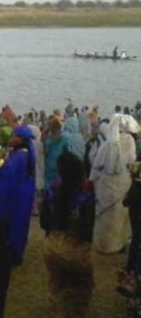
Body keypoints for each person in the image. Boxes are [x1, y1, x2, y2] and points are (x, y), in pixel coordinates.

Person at [40, 152, 95, 317]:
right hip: (77, 248)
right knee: (80, 293)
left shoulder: (51, 190)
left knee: (56, 288)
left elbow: (43, 223)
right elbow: (87, 228)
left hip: (53, 246)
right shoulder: (85, 194)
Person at [90, 114, 140, 253]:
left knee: (105, 217)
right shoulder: (129, 142)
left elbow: (97, 164)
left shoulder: (108, 144)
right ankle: (117, 245)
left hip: (105, 186)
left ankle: (103, 245)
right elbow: (131, 162)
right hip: (122, 185)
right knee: (119, 217)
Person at [0, 125, 36, 264]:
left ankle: (13, 254)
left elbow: (3, 171)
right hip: (24, 195)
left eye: (14, 136)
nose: (11, 138)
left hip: (17, 197)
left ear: (20, 139)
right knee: (21, 224)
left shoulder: (20, 156)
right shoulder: (25, 153)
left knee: (15, 224)